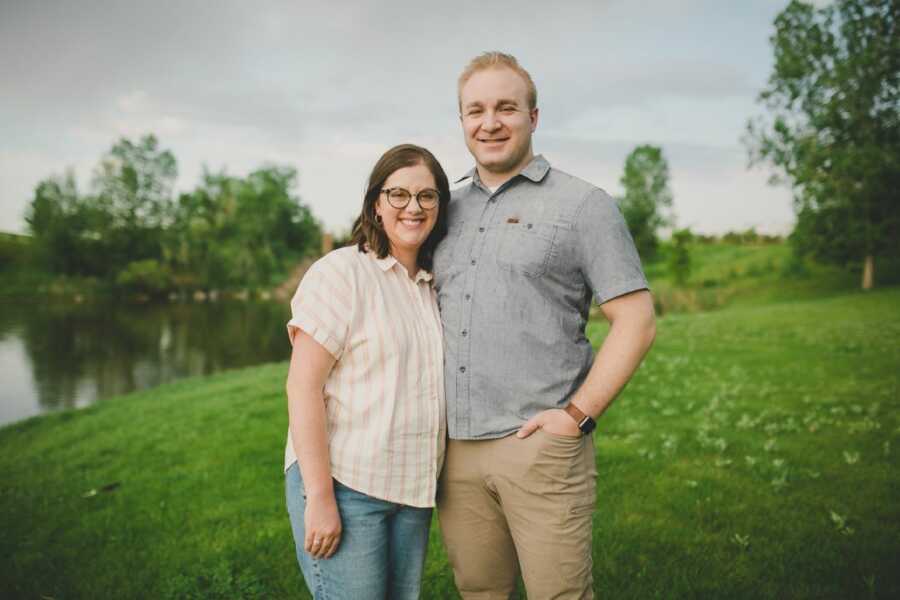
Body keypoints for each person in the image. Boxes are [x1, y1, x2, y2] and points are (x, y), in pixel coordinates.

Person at [433, 52, 657, 599]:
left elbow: (636, 320)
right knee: (480, 592)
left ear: (533, 117)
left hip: (538, 446)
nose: (490, 122)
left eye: (506, 108)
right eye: (476, 110)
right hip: (452, 451)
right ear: (461, 121)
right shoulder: (442, 209)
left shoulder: (584, 206)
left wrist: (576, 416)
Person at [284, 144, 449, 600]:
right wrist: (318, 497)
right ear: (376, 204)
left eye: (427, 196)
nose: (413, 207)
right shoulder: (341, 273)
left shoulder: (435, 285)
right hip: (346, 484)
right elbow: (302, 387)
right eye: (398, 195)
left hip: (413, 491)